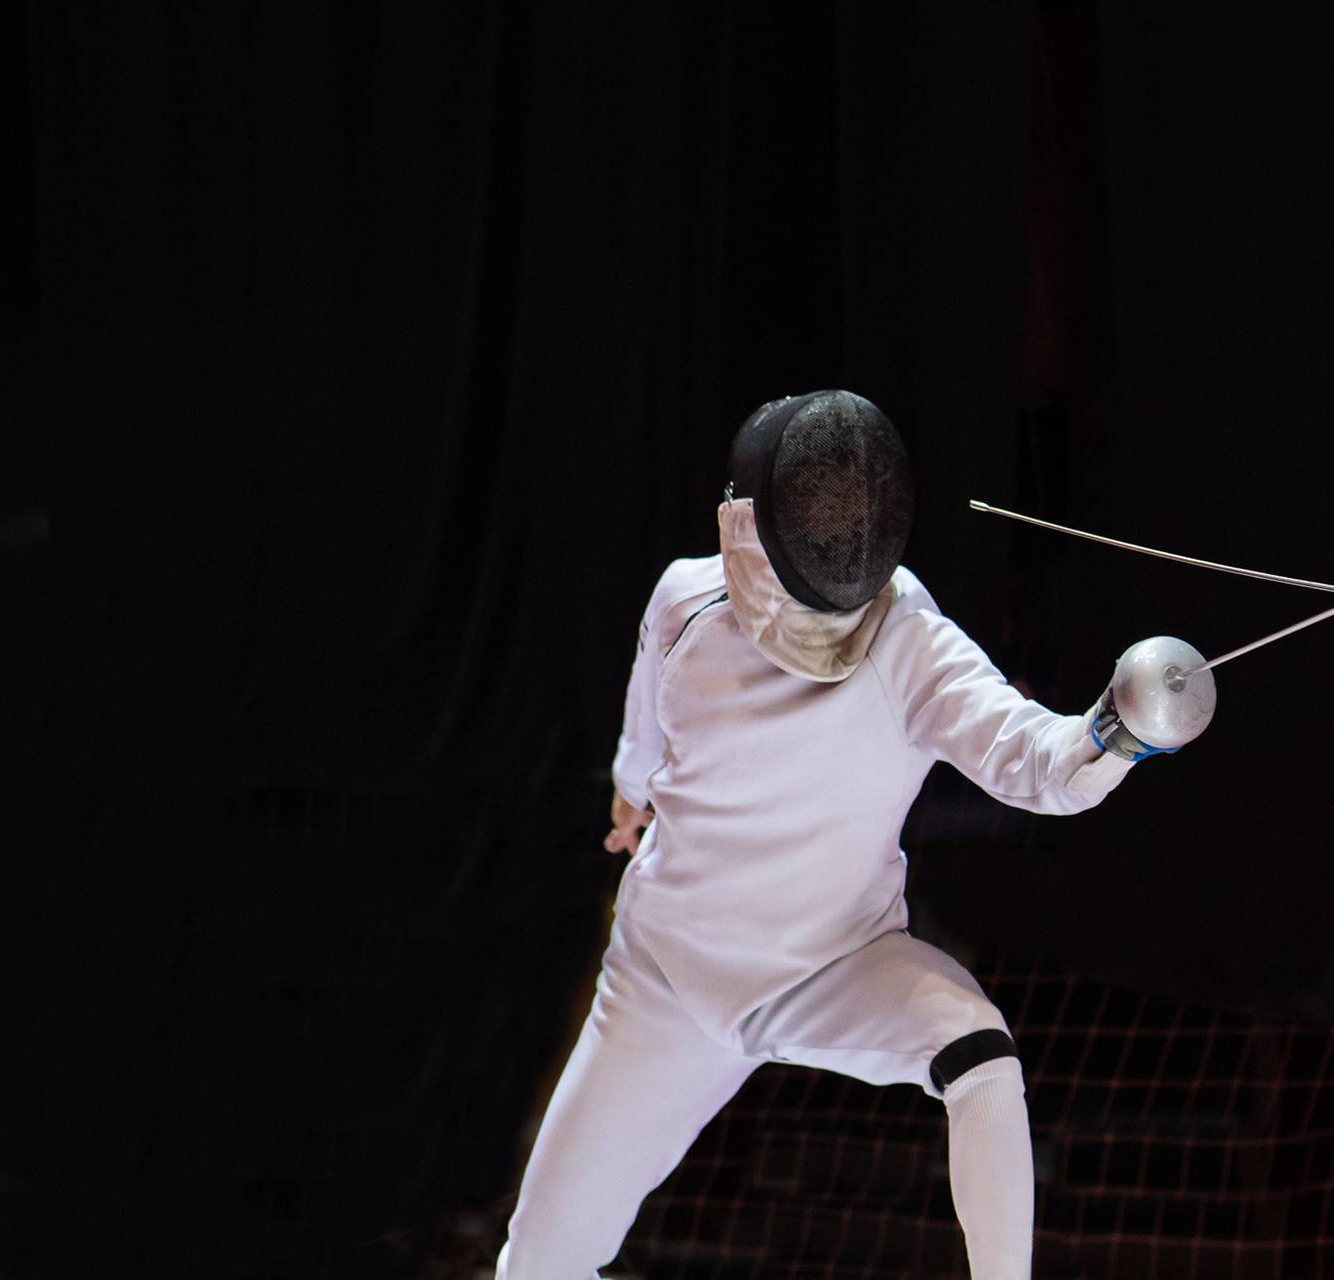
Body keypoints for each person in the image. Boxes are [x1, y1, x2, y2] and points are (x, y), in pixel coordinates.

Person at [497, 390, 1208, 1279]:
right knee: (536, 1268)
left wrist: (1116, 731)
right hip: (664, 982)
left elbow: (1039, 760)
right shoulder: (686, 602)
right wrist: (630, 793)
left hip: (831, 967)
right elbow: (645, 737)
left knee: (978, 1053)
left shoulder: (909, 644)